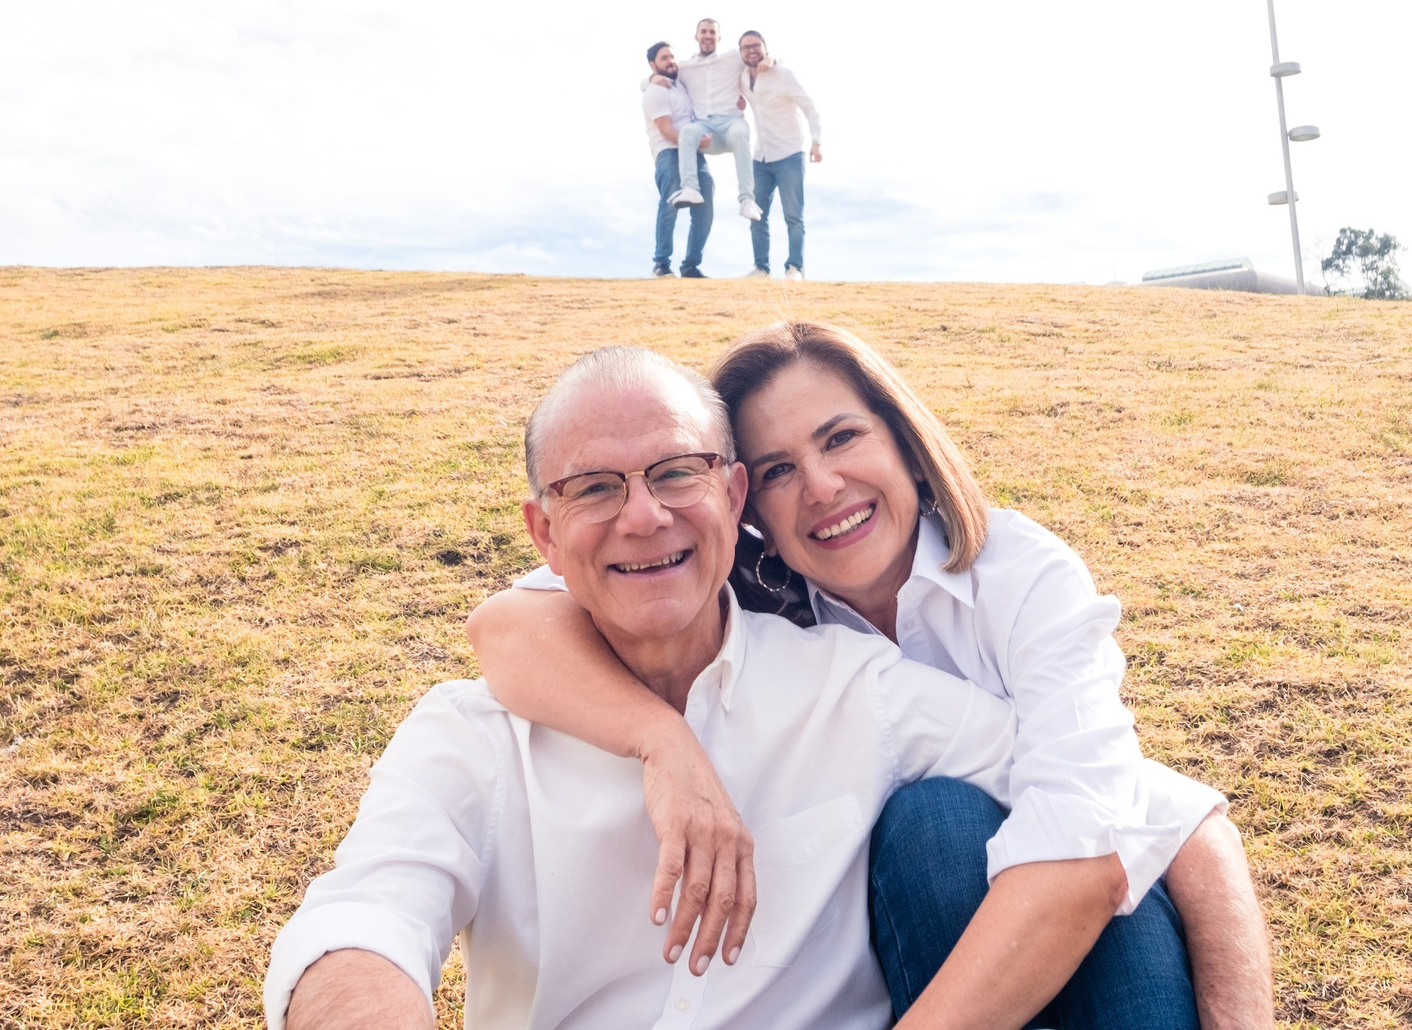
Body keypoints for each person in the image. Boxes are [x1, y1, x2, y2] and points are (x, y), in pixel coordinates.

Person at [467, 322, 1277, 1030]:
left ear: (905, 443)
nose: (822, 487)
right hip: (925, 899)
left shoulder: (1021, 575)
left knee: (961, 822)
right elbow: (507, 626)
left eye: (842, 437)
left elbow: (1132, 822)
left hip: (1080, 898)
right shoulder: (738, 594)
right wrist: (660, 739)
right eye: (779, 468)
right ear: (745, 502)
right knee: (934, 822)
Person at [265, 347, 1024, 1030]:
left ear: (732, 496)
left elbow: (1081, 788)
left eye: (675, 472)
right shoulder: (471, 736)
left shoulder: (856, 687)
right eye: (595, 487)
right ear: (545, 534)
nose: (644, 516)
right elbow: (364, 921)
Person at [736, 29, 820, 281]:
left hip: (789, 153)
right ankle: (761, 268)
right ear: (740, 52)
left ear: (765, 47)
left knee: (793, 215)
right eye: (746, 47)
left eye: (756, 45)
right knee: (756, 214)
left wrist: (816, 142)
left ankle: (794, 268)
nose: (751, 50)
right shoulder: (741, 77)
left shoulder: (782, 74)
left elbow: (810, 107)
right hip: (760, 156)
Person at [673, 19, 762, 223]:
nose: (708, 35)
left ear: (718, 37)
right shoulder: (685, 68)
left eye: (712, 32)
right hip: (704, 128)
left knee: (740, 133)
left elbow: (757, 55)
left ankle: (747, 199)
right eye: (703, 31)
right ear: (696, 36)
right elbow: (663, 76)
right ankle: (690, 188)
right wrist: (649, 81)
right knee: (687, 131)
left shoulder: (733, 58)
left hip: (731, 122)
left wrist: (771, 61)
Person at [643, 42, 718, 278]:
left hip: (695, 155)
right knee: (670, 205)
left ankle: (691, 266)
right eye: (664, 58)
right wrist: (649, 81)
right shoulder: (655, 91)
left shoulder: (681, 85)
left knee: (705, 206)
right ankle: (662, 264)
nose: (670, 61)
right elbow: (665, 129)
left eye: (672, 56)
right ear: (652, 64)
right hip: (669, 153)